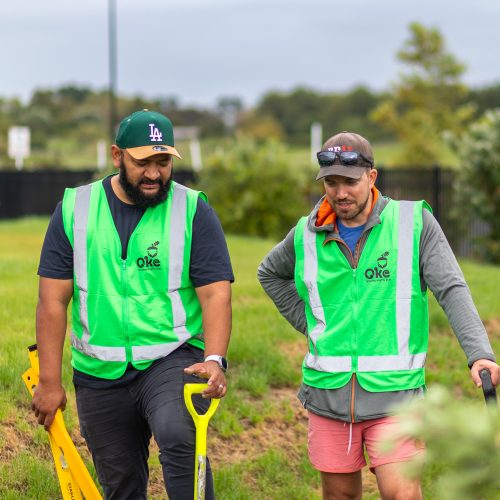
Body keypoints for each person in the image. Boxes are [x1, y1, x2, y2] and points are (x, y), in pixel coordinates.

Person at [257, 131, 499, 500]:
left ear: (371, 177)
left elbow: (451, 288)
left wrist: (479, 352)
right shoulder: (306, 233)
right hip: (327, 396)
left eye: (349, 182)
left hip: (395, 395)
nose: (340, 193)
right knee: (340, 496)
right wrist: (314, 325)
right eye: (331, 183)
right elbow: (269, 273)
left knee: (401, 494)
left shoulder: (413, 224)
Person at [31, 109, 233, 499]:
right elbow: (52, 299)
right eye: (143, 162)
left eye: (163, 162)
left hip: (172, 357)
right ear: (116, 155)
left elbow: (216, 292)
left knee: (179, 438)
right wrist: (50, 381)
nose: (155, 173)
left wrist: (215, 359)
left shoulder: (192, 209)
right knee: (120, 483)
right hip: (98, 370)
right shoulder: (76, 209)